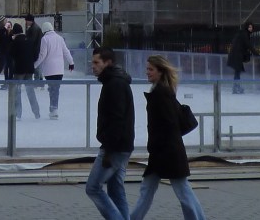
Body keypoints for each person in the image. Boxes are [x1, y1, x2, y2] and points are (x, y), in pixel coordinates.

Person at [131, 55, 206, 220]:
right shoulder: (162, 91)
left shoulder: (161, 94)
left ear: (160, 71)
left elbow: (169, 125)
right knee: (149, 190)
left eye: (151, 69)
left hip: (167, 152)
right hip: (164, 151)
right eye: (147, 69)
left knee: (182, 191)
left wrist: (157, 146)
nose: (147, 72)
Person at [85, 46, 134, 220]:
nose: (93, 66)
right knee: (115, 188)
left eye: (97, 62)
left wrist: (109, 149)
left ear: (108, 63)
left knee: (93, 187)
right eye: (92, 62)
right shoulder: (113, 82)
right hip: (121, 145)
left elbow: (117, 119)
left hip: (115, 147)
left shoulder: (115, 84)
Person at [35, 19, 74, 118]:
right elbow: (66, 51)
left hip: (49, 69)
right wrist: (71, 62)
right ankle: (54, 108)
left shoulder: (45, 39)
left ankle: (53, 109)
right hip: (59, 69)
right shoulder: (59, 38)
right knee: (56, 89)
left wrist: (35, 65)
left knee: (52, 89)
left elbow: (42, 55)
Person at [8, 22, 41, 120]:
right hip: (29, 69)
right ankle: (36, 112)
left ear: (15, 32)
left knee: (17, 91)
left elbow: (11, 54)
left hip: (19, 70)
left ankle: (18, 113)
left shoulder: (16, 42)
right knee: (30, 91)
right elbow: (36, 54)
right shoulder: (30, 40)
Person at [226, 21, 254, 94]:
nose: (251, 29)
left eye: (251, 27)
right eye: (249, 27)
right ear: (246, 27)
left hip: (236, 55)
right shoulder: (244, 34)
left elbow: (244, 46)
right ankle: (236, 88)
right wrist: (257, 54)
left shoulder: (243, 34)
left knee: (237, 72)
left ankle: (236, 87)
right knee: (237, 71)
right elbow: (248, 45)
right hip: (236, 56)